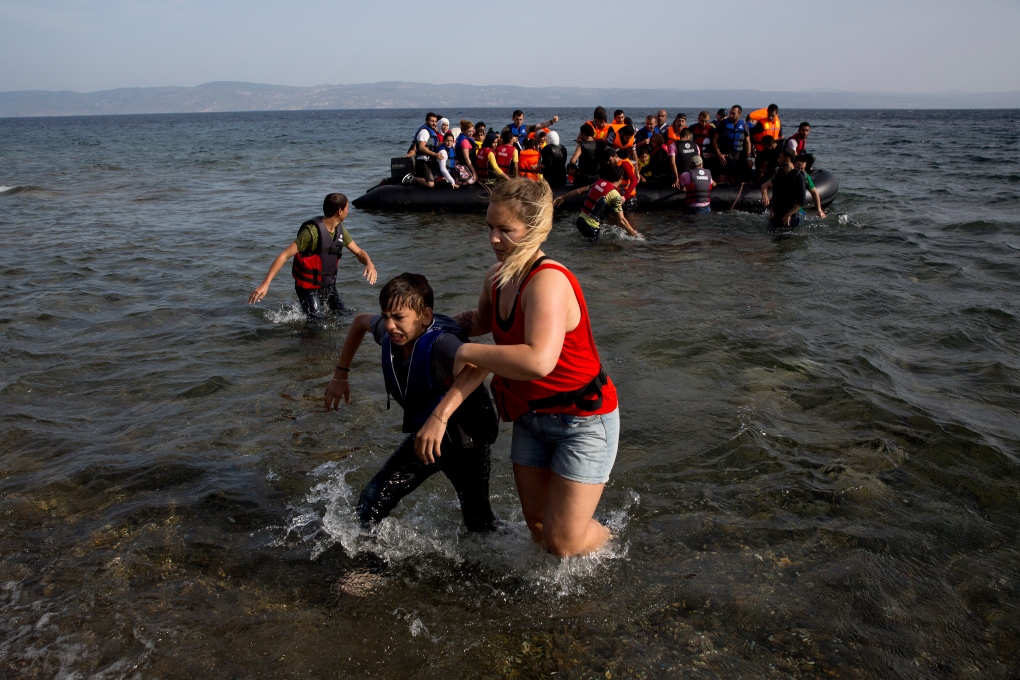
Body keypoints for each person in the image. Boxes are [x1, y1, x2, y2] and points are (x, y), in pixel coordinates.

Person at [452, 178, 622, 557]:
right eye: (490, 228)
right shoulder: (496, 277)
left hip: (582, 419)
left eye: (505, 230)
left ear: (533, 229)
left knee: (563, 543)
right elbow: (480, 319)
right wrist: (429, 327)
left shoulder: (548, 281)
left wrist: (467, 354)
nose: (494, 239)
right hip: (531, 416)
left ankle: (610, 539)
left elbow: (539, 360)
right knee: (538, 528)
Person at [324, 273, 499, 531]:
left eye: (398, 318)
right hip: (427, 439)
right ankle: (367, 567)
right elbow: (360, 321)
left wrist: (439, 418)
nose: (390, 325)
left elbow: (482, 363)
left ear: (425, 317)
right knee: (372, 500)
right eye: (386, 316)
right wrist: (340, 374)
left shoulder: (442, 344)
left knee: (479, 523)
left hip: (466, 441)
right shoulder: (391, 333)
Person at [248, 193, 377, 318]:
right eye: (347, 208)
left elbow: (359, 252)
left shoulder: (340, 230)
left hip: (328, 285)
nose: (348, 211)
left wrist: (369, 264)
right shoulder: (311, 232)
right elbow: (284, 255)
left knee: (345, 316)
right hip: (308, 288)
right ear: (340, 211)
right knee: (318, 324)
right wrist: (265, 284)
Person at [554, 166, 643, 241]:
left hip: (580, 220)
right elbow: (621, 220)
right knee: (594, 252)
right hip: (591, 227)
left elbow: (580, 190)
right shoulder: (615, 195)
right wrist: (634, 234)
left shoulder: (599, 183)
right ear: (621, 178)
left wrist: (562, 197)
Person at [760, 149, 806, 231]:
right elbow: (768, 188)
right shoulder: (780, 173)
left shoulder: (798, 176)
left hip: (790, 216)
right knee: (771, 238)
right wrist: (766, 198)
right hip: (777, 214)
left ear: (787, 159)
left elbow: (801, 200)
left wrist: (788, 215)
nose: (778, 160)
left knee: (785, 241)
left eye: (780, 158)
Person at [710, 105, 751, 184]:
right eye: (730, 113)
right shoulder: (723, 124)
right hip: (724, 156)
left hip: (737, 157)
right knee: (721, 178)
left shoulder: (744, 126)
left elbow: (747, 142)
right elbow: (714, 140)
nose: (731, 115)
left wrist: (748, 158)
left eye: (734, 113)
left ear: (739, 114)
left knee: (732, 179)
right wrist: (719, 154)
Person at [403, 112, 442, 188]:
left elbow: (433, 145)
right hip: (423, 161)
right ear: (426, 121)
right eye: (432, 121)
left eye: (435, 121)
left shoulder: (433, 133)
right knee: (431, 184)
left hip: (430, 161)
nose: (434, 123)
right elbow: (421, 147)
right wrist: (435, 155)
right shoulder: (424, 132)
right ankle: (412, 178)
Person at [795, 154, 826, 218]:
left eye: (802, 169)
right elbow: (768, 184)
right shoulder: (784, 174)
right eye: (797, 168)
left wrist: (819, 210)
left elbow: (814, 192)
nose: (800, 171)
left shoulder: (806, 177)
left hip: (797, 210)